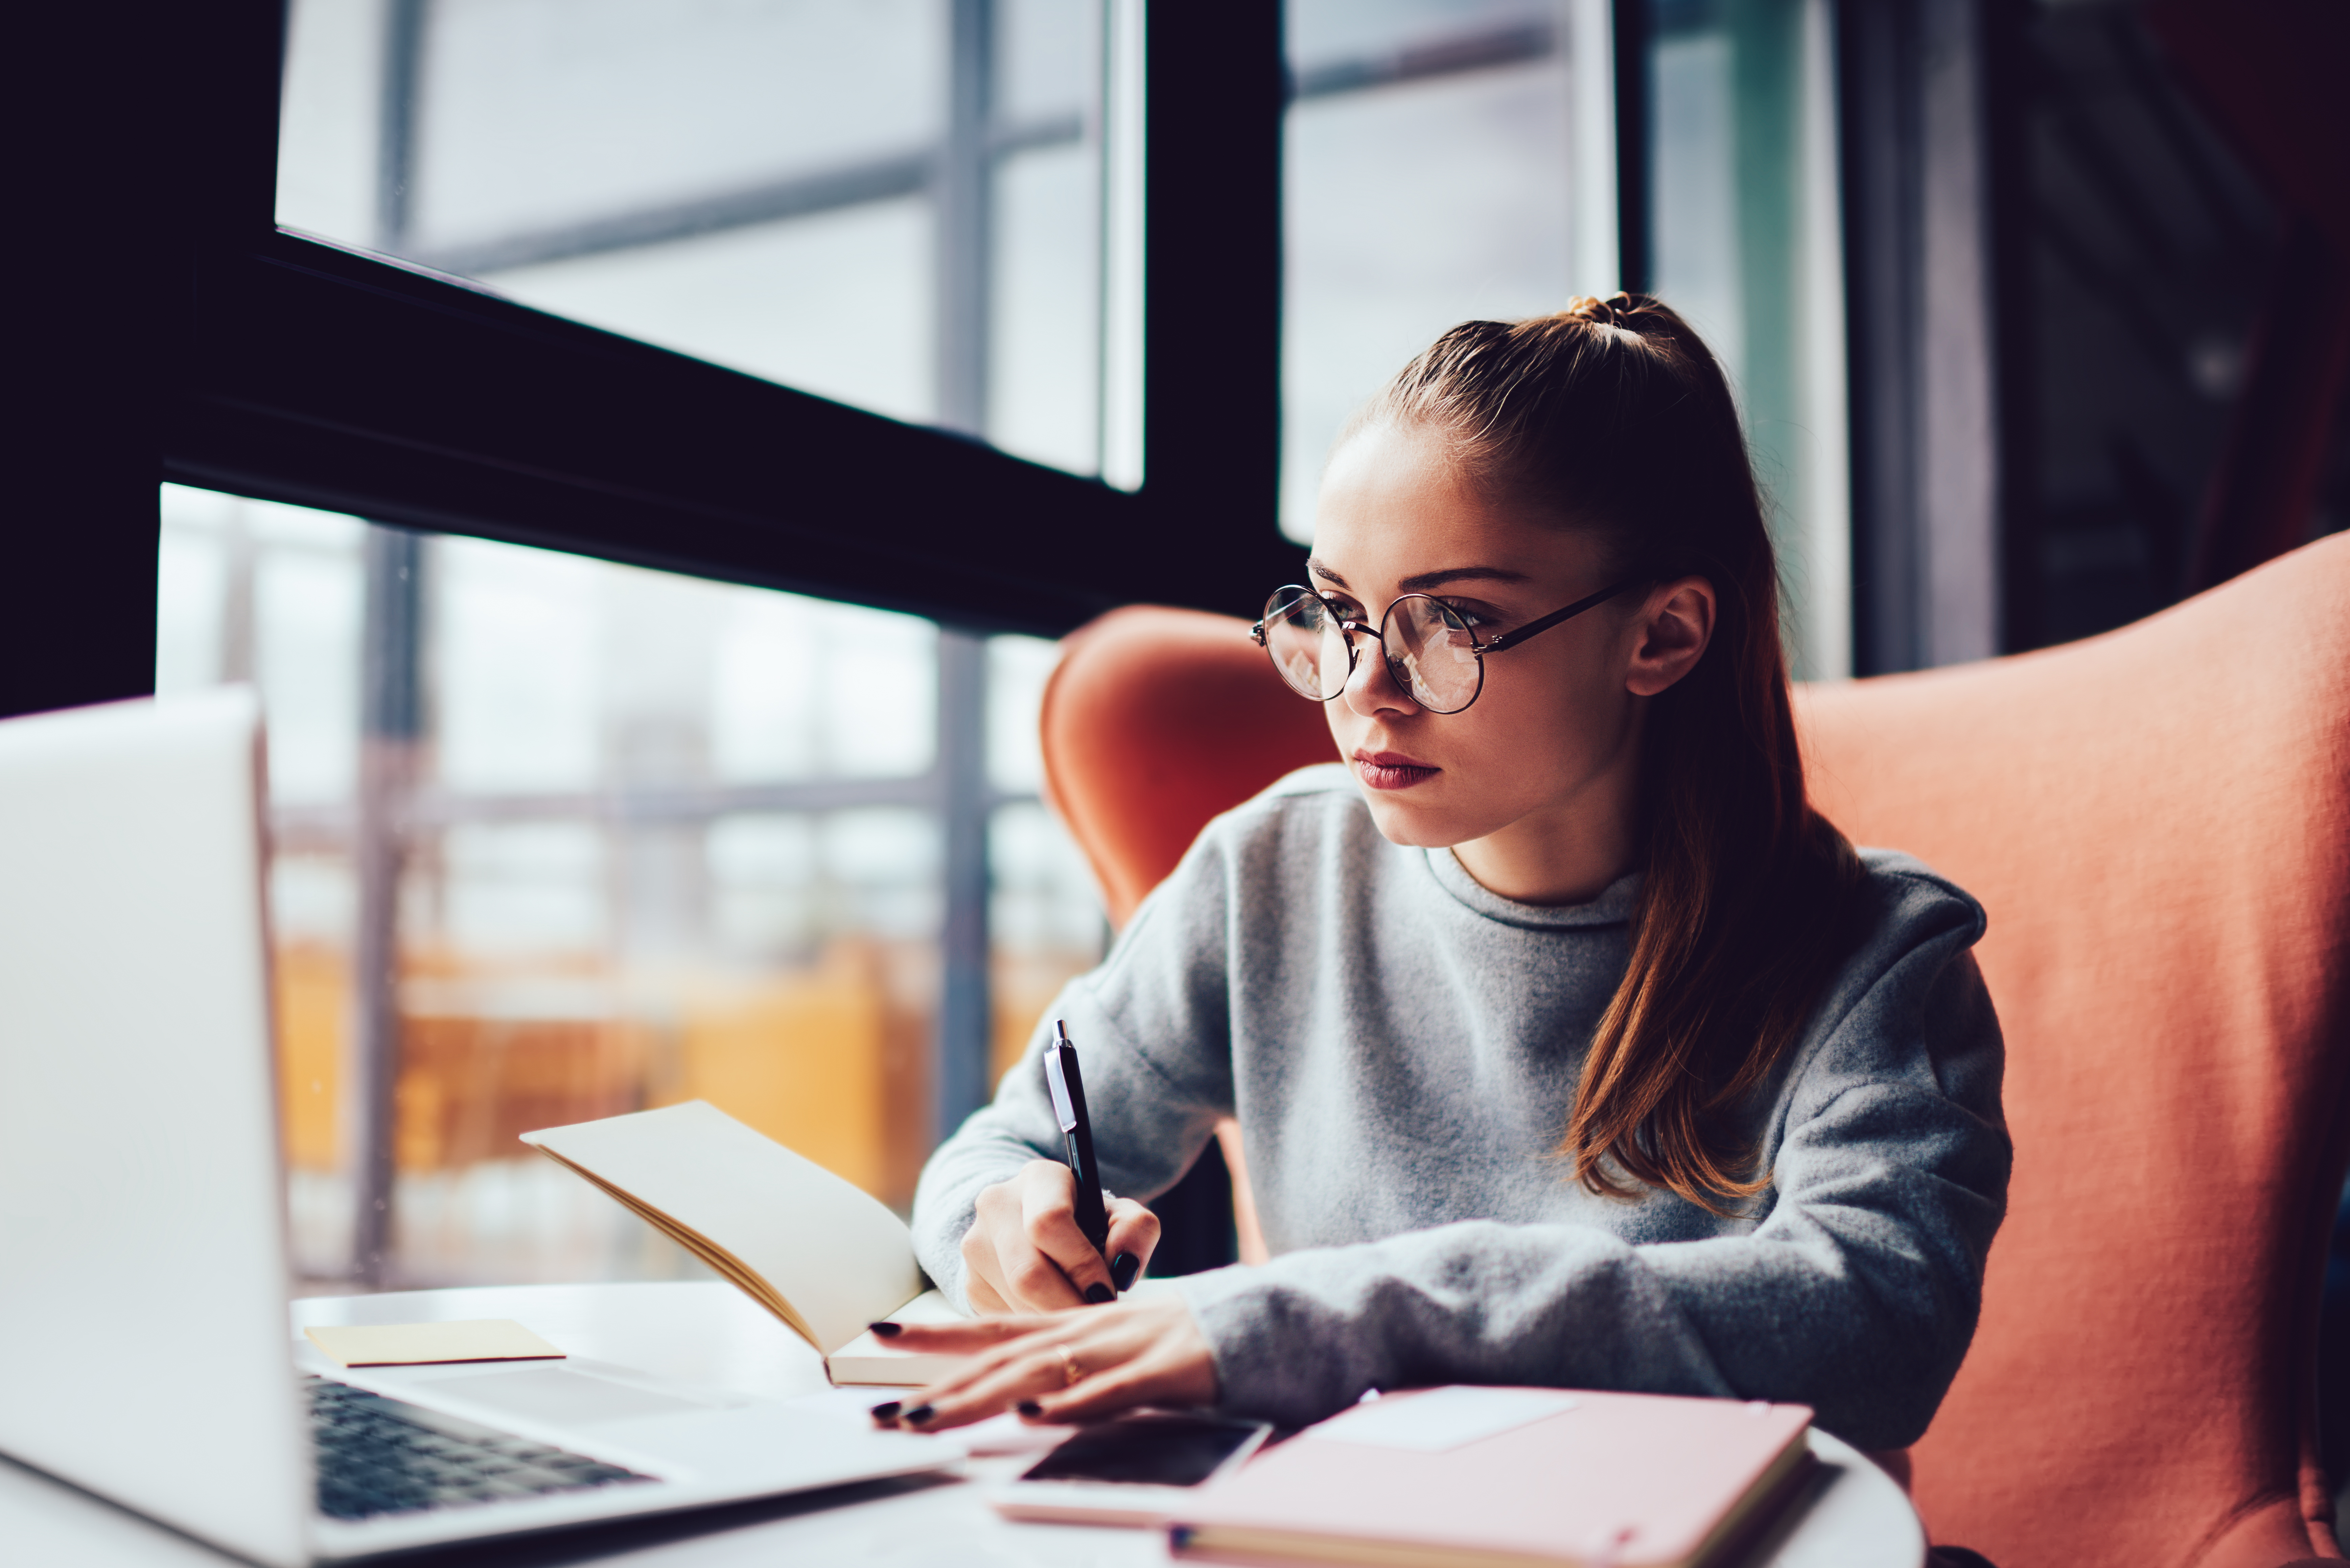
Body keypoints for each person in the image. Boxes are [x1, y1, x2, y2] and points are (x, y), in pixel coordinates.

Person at [871, 294, 2010, 1452]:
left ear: (1662, 636)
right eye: (1339, 609)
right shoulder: (1266, 871)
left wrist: (1357, 1313)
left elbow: (1880, 1323)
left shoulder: (1875, 955)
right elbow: (996, 1154)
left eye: (1451, 619)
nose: (1365, 685)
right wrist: (1009, 1229)